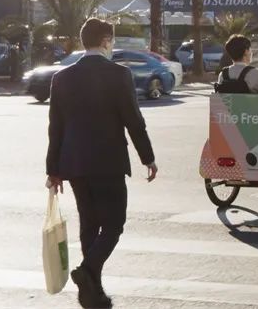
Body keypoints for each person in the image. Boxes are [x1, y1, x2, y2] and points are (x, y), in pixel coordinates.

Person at [46, 18, 157, 308]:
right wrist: (148, 157)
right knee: (113, 225)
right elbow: (133, 120)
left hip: (74, 163)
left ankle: (91, 293)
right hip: (108, 162)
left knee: (89, 225)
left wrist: (53, 169)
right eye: (112, 40)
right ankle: (87, 272)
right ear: (106, 40)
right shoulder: (119, 74)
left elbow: (55, 127)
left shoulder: (62, 77)